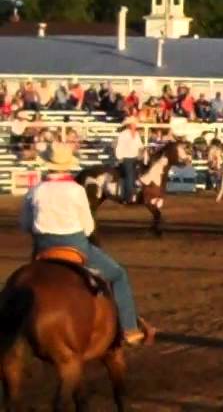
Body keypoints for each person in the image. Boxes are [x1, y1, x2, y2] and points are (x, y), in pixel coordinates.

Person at [22, 143, 155, 346]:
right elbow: (87, 226)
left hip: (43, 247)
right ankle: (130, 329)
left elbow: (25, 224)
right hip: (74, 244)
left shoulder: (36, 190)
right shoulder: (76, 191)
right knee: (118, 274)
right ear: (68, 166)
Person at [113, 116, 143, 204]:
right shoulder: (123, 134)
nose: (135, 125)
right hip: (127, 158)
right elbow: (119, 146)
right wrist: (119, 157)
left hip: (135, 158)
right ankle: (127, 197)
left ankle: (131, 195)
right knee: (130, 177)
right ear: (129, 125)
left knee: (134, 176)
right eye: (133, 124)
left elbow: (140, 146)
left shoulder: (136, 134)